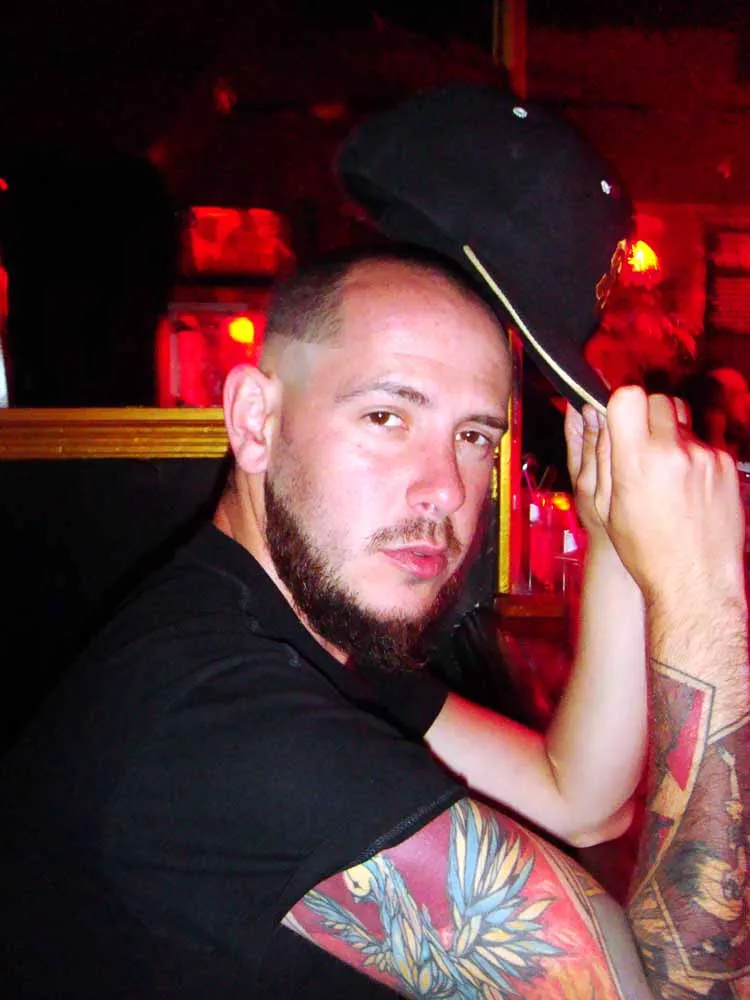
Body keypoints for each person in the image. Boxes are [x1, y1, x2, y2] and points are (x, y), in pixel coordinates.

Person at [1, 248, 747, 999]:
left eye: (473, 437)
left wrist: (616, 536)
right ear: (255, 421)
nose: (446, 489)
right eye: (387, 417)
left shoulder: (293, 622)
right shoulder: (224, 726)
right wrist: (703, 585)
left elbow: (576, 798)